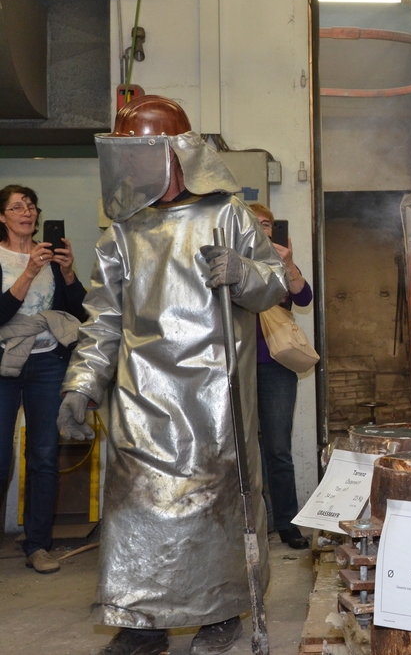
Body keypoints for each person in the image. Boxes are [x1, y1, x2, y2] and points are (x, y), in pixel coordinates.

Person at [56, 95, 288, 655]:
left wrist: (246, 271)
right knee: (140, 511)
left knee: (216, 511)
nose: (135, 169)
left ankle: (221, 613)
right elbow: (104, 319)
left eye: (145, 156)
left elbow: (277, 283)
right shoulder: (123, 233)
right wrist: (81, 383)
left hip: (214, 398)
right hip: (141, 400)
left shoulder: (228, 213)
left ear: (178, 155)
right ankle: (143, 621)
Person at [0, 185, 87, 574]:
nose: (27, 212)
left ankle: (38, 544)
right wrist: (30, 271)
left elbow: (77, 312)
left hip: (48, 363)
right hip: (3, 364)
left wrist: (66, 272)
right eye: (17, 207)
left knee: (44, 457)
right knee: (0, 459)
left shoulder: (49, 257)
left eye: (31, 206)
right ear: (2, 216)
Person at [249, 203, 312, 550]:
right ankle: (250, 522)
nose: (262, 229)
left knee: (277, 448)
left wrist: (287, 262)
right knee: (240, 450)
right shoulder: (232, 260)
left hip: (276, 365)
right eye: (254, 224)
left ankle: (286, 523)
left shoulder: (280, 262)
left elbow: (304, 297)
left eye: (267, 224)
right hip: (234, 366)